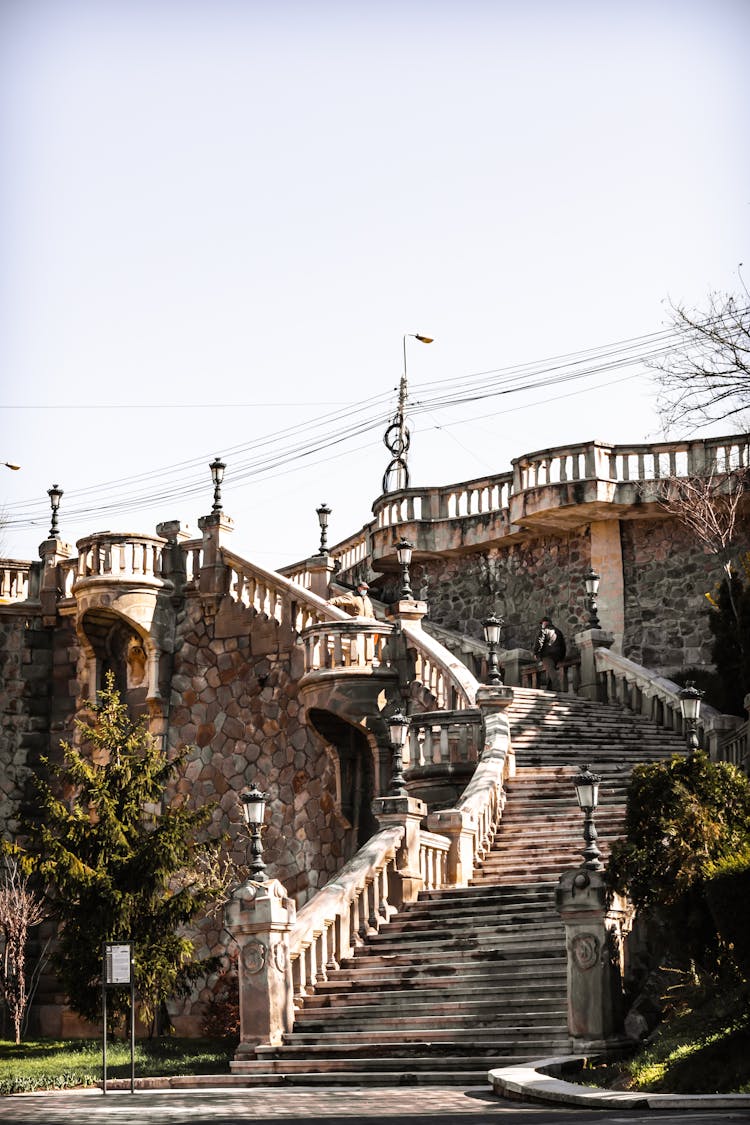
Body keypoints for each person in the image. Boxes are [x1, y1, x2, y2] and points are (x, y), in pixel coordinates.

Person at [533, 616, 566, 691]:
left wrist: (536, 653)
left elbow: (539, 642)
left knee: (551, 671)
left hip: (547, 655)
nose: (542, 624)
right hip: (557, 655)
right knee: (550, 670)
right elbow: (563, 644)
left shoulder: (544, 630)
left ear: (545, 622)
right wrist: (562, 656)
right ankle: (550, 689)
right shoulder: (558, 631)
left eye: (542, 623)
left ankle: (557, 688)